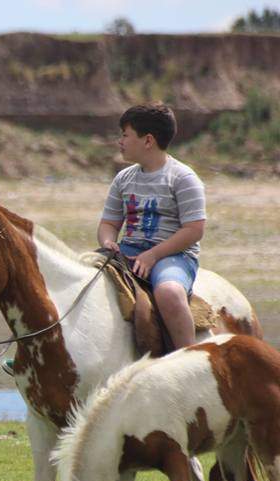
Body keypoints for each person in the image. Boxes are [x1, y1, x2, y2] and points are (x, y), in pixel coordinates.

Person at [98, 102, 206, 350]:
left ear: (148, 140)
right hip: (127, 250)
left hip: (172, 256)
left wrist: (153, 255)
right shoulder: (123, 178)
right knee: (80, 277)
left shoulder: (183, 178)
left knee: (168, 292)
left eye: (125, 135)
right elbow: (109, 223)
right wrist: (107, 242)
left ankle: (189, 360)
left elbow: (194, 230)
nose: (120, 141)